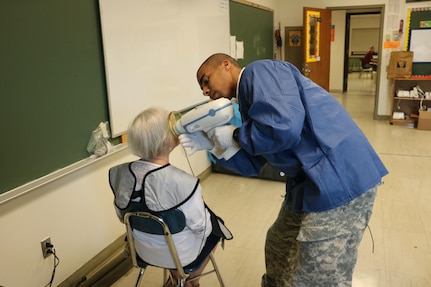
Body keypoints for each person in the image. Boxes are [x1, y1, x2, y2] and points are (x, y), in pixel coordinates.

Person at [179, 53, 388, 287]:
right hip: (309, 182)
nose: (204, 91)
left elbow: (284, 128)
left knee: (316, 276)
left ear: (226, 65)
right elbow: (253, 164)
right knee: (280, 244)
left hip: (338, 178)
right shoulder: (248, 101)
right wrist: (216, 148)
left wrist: (235, 135)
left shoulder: (259, 72)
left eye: (205, 80)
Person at [109, 107, 229, 287]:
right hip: (182, 256)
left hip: (142, 251)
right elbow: (201, 228)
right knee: (216, 228)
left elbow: (122, 217)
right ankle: (191, 281)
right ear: (166, 139)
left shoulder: (119, 174)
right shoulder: (185, 183)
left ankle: (174, 279)